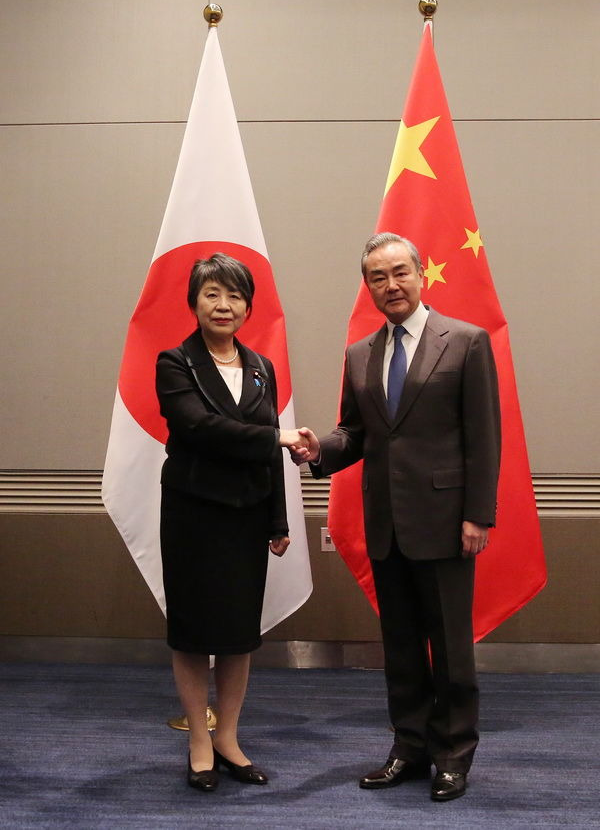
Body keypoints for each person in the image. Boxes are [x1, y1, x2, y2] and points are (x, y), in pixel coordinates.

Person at [291, 233, 501, 802]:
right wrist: (320, 452)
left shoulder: (466, 342)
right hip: (386, 523)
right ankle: (408, 747)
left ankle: (454, 754)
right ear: (368, 287)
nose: (391, 285)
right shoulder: (361, 353)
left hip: (447, 521)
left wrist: (478, 514)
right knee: (402, 646)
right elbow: (355, 433)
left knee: (452, 649)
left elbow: (484, 438)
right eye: (378, 278)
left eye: (400, 272)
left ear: (420, 274)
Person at [156, 253, 307, 792]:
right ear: (194, 301)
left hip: (247, 518)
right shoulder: (175, 363)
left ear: (248, 306)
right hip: (194, 516)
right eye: (212, 294)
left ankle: (229, 738)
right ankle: (199, 737)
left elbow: (269, 451)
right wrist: (276, 438)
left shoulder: (261, 365)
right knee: (195, 634)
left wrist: (278, 519)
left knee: (240, 637)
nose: (224, 305)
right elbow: (198, 428)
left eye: (235, 295)